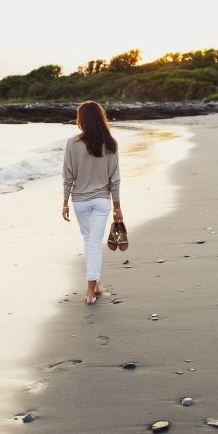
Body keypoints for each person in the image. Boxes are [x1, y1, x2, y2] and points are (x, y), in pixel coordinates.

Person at [62, 100, 123, 305]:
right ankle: (94, 286)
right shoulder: (111, 143)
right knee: (93, 242)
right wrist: (117, 207)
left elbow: (68, 175)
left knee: (90, 241)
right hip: (101, 201)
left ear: (82, 120)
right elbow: (114, 178)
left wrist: (64, 201)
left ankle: (90, 288)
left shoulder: (73, 143)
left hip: (80, 201)